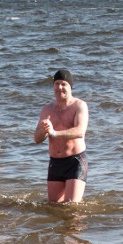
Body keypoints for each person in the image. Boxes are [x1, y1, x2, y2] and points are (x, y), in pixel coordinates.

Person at [33, 69, 89, 203]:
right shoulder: (47, 109)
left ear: (70, 87)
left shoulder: (79, 106)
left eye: (64, 84)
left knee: (71, 207)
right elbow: (37, 139)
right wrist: (44, 130)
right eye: (57, 84)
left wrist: (54, 133)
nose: (60, 87)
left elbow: (80, 132)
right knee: (55, 208)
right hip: (55, 162)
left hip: (75, 161)